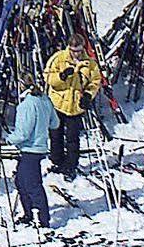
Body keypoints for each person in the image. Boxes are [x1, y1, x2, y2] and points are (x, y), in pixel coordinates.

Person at [43, 43, 103, 180]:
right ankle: (57, 160)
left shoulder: (90, 64)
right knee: (55, 134)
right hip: (58, 104)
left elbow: (95, 82)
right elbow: (47, 76)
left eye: (79, 51)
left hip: (75, 107)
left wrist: (88, 95)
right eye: (74, 51)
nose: (77, 54)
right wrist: (61, 76)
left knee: (72, 137)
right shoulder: (58, 58)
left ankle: (71, 165)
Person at [9, 74, 59, 228]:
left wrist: (9, 139)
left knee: (32, 185)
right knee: (21, 182)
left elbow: (23, 133)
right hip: (38, 147)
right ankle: (28, 213)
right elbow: (55, 123)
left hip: (30, 148)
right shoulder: (45, 100)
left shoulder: (26, 105)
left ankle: (43, 219)